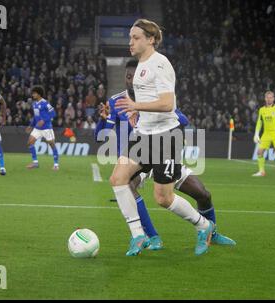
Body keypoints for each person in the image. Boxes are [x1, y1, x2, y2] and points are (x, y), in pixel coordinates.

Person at [96, 59, 235, 251]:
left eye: (134, 77)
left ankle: (211, 231)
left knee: (202, 194)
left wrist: (148, 116)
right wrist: (103, 120)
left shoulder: (156, 99)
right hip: (139, 155)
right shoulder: (116, 101)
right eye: (128, 77)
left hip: (163, 151)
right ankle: (150, 237)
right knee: (126, 183)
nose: (131, 80)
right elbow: (100, 135)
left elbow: (181, 119)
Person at [109, 19, 215, 256]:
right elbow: (150, 100)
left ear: (151, 39)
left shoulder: (160, 64)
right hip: (144, 135)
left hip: (166, 137)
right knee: (118, 178)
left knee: (163, 198)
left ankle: (204, 226)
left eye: (136, 37)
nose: (131, 42)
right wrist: (138, 111)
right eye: (130, 38)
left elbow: (168, 104)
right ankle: (138, 236)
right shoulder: (140, 66)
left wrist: (137, 104)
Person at [25, 86, 59, 171]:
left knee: (52, 144)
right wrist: (31, 125)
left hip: (47, 128)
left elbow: (53, 113)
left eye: (34, 93)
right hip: (37, 128)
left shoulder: (45, 103)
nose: (33, 95)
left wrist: (44, 120)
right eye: (32, 93)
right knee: (30, 142)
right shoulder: (34, 104)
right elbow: (35, 117)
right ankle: (35, 162)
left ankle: (56, 164)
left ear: (39, 94)